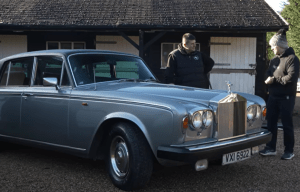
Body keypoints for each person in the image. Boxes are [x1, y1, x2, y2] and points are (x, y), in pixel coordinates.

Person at [260, 29, 299, 160]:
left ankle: (289, 150)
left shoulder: (292, 59)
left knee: (287, 124)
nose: (271, 49)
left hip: (286, 97)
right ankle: (270, 147)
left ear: (278, 46)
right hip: (273, 97)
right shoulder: (273, 60)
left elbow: (291, 78)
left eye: (272, 47)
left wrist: (274, 80)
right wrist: (267, 78)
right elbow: (267, 72)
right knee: (270, 123)